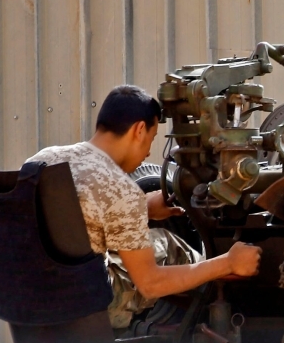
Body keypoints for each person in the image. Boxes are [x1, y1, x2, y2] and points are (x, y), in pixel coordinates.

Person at [28, 84, 261, 328]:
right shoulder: (120, 188)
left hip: (28, 296)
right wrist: (228, 262)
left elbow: (69, 220)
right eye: (151, 138)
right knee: (168, 245)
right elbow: (150, 284)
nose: (148, 151)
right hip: (88, 304)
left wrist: (143, 209)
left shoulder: (44, 160)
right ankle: (219, 314)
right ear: (139, 130)